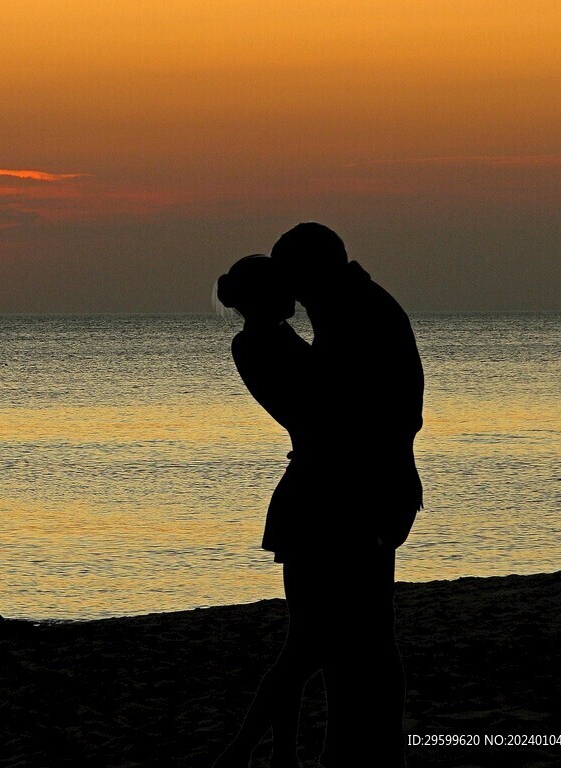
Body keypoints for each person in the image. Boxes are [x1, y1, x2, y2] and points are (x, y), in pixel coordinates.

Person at [271, 222, 423, 767]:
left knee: (363, 637)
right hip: (373, 487)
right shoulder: (350, 308)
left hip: (366, 491)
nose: (288, 290)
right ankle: (364, 751)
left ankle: (367, 753)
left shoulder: (356, 314)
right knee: (359, 635)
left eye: (291, 277)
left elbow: (383, 414)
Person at [212, 254, 328, 768]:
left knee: (303, 641)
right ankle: (244, 751)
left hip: (309, 489)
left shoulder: (271, 338)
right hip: (311, 495)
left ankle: (279, 753)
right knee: (306, 643)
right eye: (283, 287)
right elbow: (313, 401)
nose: (294, 294)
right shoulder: (257, 343)